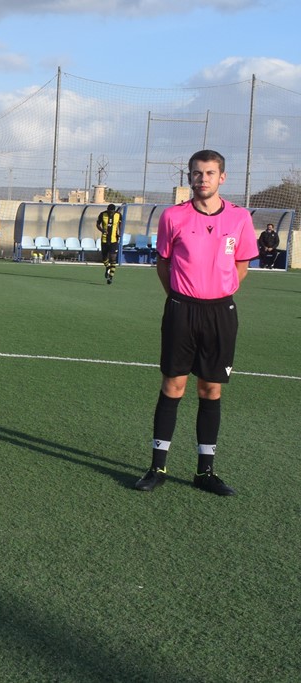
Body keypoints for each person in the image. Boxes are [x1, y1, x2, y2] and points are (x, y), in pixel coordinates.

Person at [134, 149, 259, 496]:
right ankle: (157, 467)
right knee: (173, 385)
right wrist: (179, 296)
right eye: (197, 173)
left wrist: (219, 290)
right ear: (189, 177)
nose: (203, 179)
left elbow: (242, 265)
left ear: (222, 177)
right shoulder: (173, 216)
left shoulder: (239, 218)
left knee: (211, 389)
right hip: (181, 310)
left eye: (209, 173)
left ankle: (205, 471)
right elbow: (163, 263)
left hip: (220, 313)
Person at [96, 203, 122, 284]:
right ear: (107, 210)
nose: (111, 213)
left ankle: (111, 277)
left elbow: (120, 225)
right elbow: (97, 224)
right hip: (104, 240)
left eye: (112, 212)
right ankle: (107, 267)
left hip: (114, 240)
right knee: (104, 258)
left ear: (114, 211)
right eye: (110, 212)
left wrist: (120, 233)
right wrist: (102, 230)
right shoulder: (102, 214)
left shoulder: (118, 215)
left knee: (113, 258)